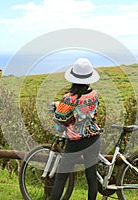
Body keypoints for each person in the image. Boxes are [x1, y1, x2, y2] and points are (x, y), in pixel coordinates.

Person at [50, 58, 101, 200]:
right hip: (94, 138)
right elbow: (86, 110)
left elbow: (62, 118)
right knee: (91, 179)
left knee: (61, 179)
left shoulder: (68, 98)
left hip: (75, 142)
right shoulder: (94, 95)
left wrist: (57, 105)